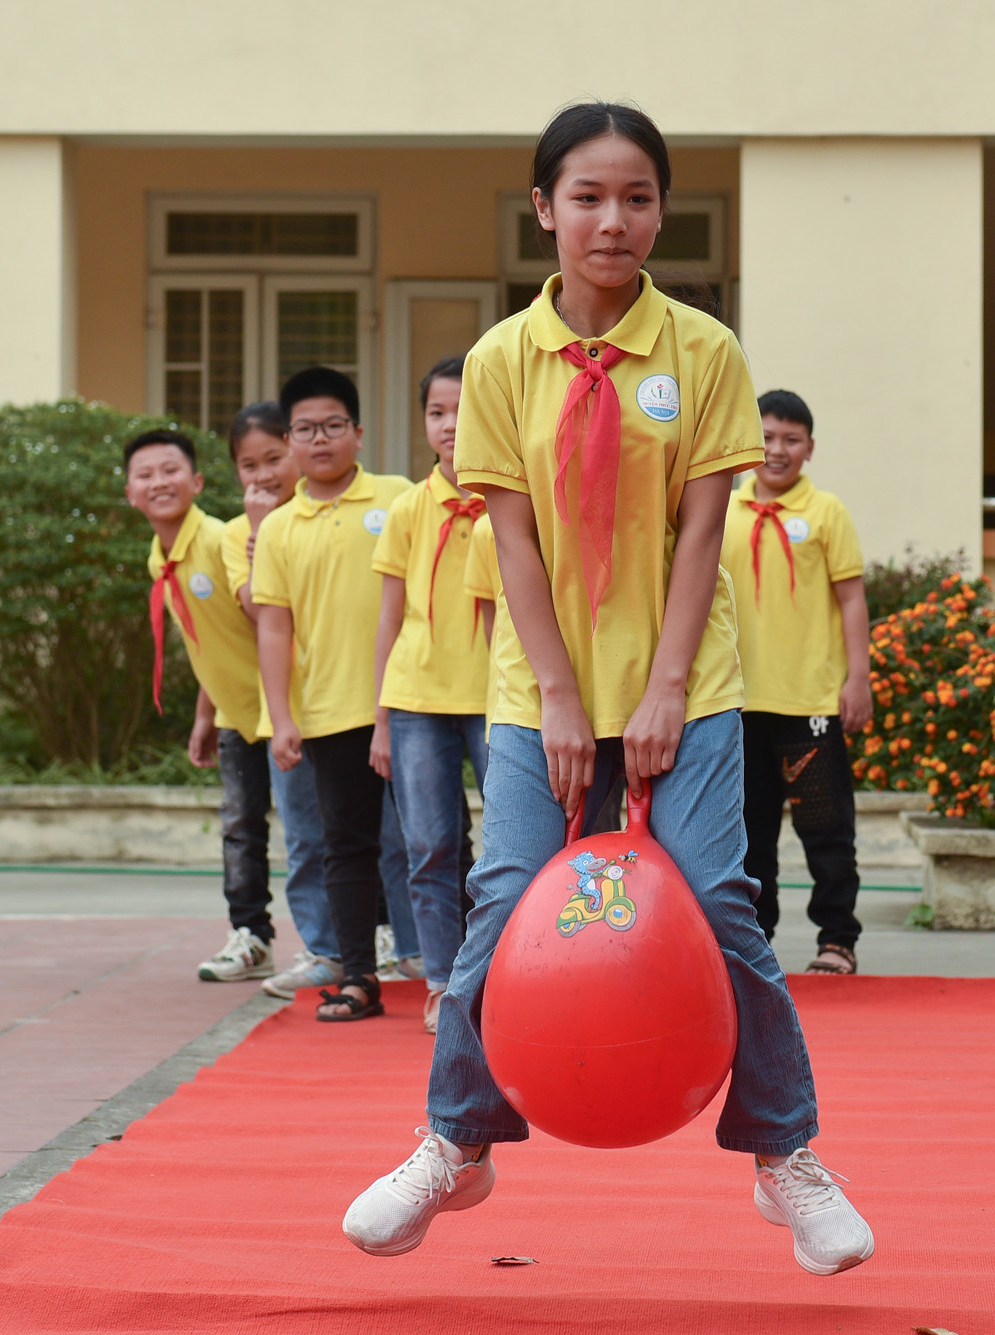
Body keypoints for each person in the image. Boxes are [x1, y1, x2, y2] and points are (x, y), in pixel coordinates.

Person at [341, 102, 874, 1278]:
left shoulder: (702, 352)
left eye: (635, 198)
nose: (611, 220)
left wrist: (667, 688)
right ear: (543, 210)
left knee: (723, 904)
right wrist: (562, 698)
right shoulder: (496, 363)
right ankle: (456, 1142)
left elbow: (701, 537)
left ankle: (784, 1156)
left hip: (691, 682)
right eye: (586, 196)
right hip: (541, 696)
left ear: (659, 213)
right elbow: (514, 546)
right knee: (496, 905)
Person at [251, 366, 416, 1022]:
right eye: (306, 430)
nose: (320, 440)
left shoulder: (401, 498)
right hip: (327, 711)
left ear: (359, 432)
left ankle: (440, 963)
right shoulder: (283, 529)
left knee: (430, 840)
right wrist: (283, 716)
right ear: (289, 440)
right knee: (343, 847)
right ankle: (358, 975)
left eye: (333, 426)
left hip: (414, 700)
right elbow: (273, 627)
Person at [720, 389, 872, 974]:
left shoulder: (827, 511)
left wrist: (857, 679)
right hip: (737, 702)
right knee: (750, 837)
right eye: (766, 438)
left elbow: (851, 599)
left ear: (809, 448)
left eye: (791, 439)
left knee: (826, 828)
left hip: (810, 701)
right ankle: (757, 944)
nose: (777, 451)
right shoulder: (722, 510)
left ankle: (838, 938)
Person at [369, 354, 498, 1035]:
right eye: (436, 412)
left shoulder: (514, 502)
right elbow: (388, 618)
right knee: (429, 845)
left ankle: (501, 973)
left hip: (498, 698)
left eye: (462, 411)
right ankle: (445, 981)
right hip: (417, 697)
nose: (450, 426)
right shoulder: (406, 510)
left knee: (510, 844)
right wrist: (380, 720)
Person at [124, 427, 281, 983]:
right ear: (130, 493)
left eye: (170, 471)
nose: (158, 483)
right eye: (144, 475)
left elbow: (266, 617)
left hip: (285, 711)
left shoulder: (220, 540)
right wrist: (204, 717)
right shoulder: (159, 557)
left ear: (195, 481)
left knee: (327, 833)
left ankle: (361, 937)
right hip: (238, 716)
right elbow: (205, 642)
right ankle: (250, 936)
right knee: (240, 826)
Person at [221, 403, 342, 1000]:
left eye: (274, 457)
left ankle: (378, 937)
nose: (263, 473)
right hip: (286, 709)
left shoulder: (332, 514)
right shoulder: (234, 534)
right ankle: (321, 945)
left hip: (344, 701)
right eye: (249, 464)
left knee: (370, 832)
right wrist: (258, 532)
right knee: (303, 837)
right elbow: (254, 609)